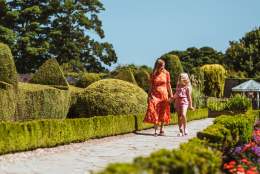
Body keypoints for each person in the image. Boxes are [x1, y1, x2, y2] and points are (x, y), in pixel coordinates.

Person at [144, 59, 173, 136]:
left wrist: (171, 95)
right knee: (153, 110)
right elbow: (151, 85)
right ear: (158, 66)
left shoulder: (166, 73)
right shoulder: (153, 74)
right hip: (154, 94)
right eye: (161, 66)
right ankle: (156, 130)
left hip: (164, 95)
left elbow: (168, 85)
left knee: (163, 112)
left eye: (164, 65)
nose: (163, 67)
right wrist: (148, 95)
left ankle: (162, 129)